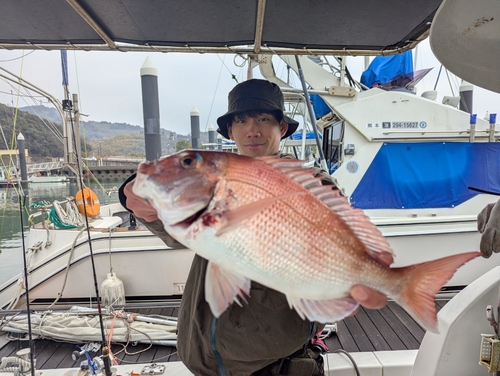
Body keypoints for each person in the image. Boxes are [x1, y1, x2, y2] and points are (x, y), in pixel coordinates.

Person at [119, 79, 387, 375]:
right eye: (241, 120)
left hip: (270, 364)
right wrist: (139, 197)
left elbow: (330, 235)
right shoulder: (217, 182)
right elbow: (180, 234)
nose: (252, 130)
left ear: (282, 128)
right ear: (230, 131)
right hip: (207, 359)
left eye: (263, 119)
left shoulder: (311, 183)